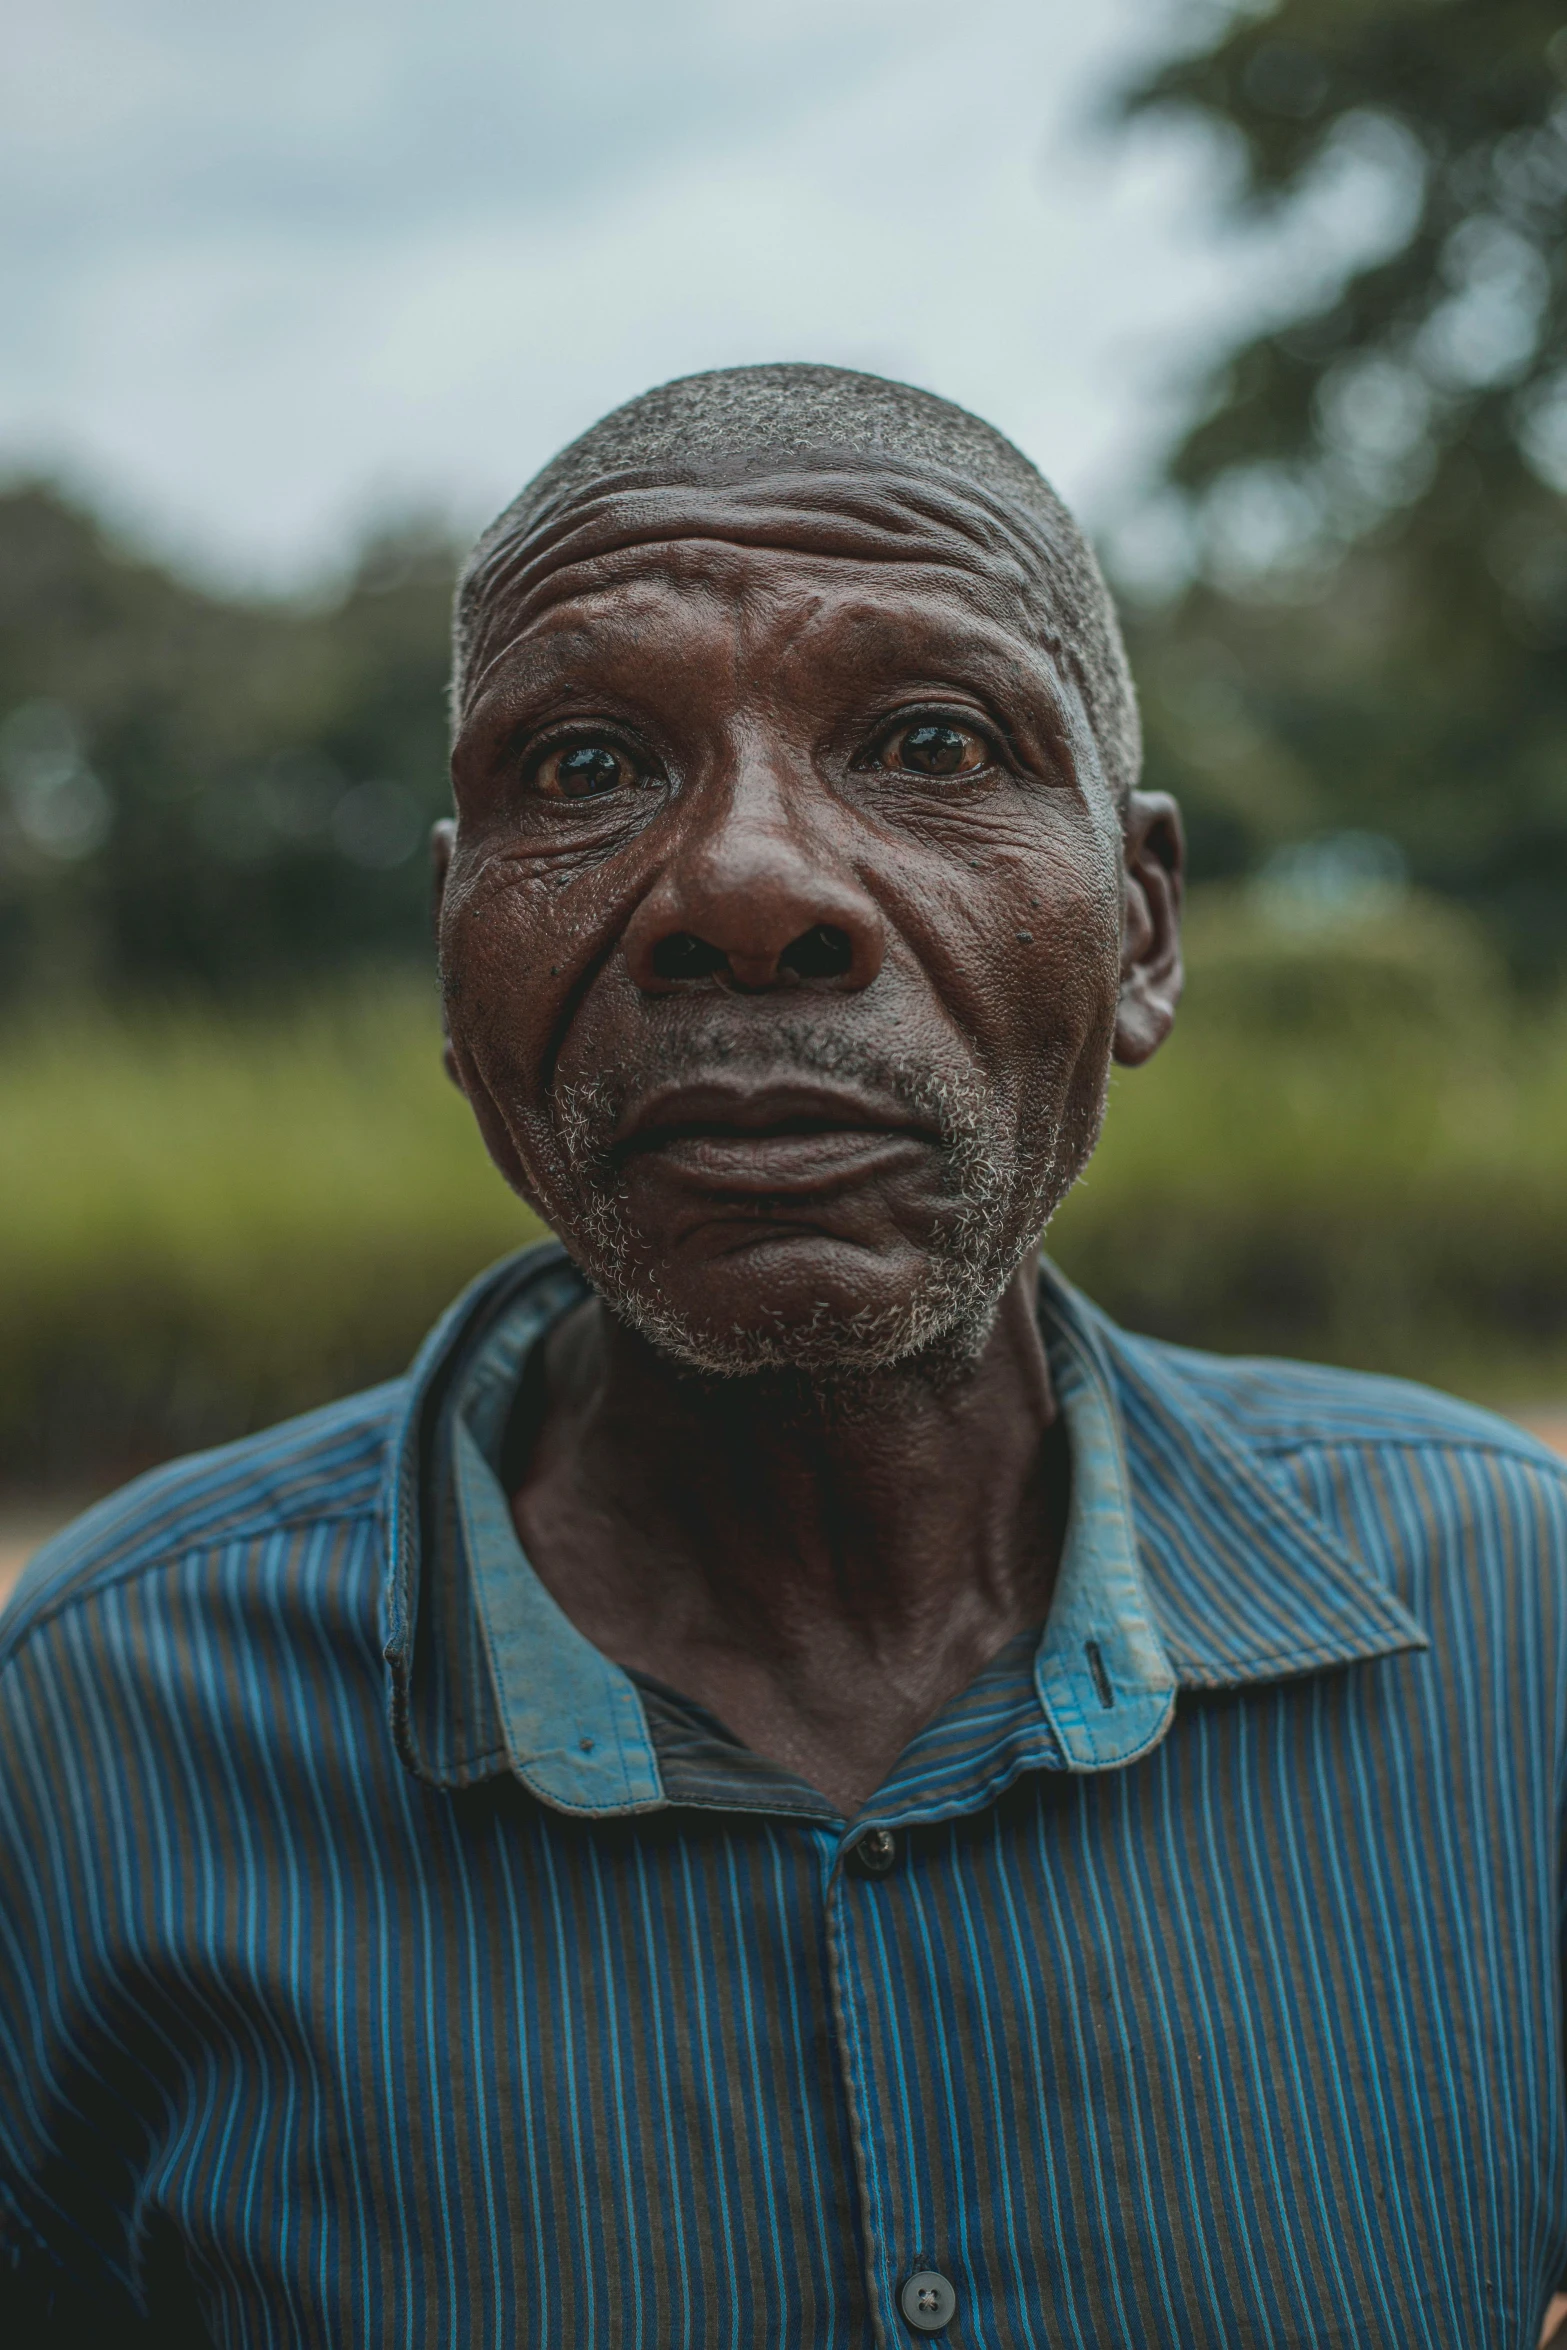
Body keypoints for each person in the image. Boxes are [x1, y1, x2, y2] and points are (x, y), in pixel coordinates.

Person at [3, 364, 1566, 2349]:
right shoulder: (104, 1723)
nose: (750, 887)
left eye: (929, 740)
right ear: (452, 958)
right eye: (581, 768)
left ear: (1144, 927)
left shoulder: (1515, 1631)